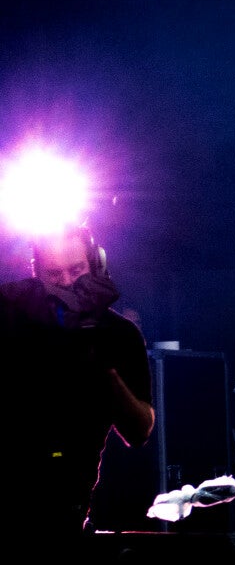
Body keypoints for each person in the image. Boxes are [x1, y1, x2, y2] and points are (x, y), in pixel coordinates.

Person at [0, 226, 153, 533]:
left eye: (77, 270)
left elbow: (139, 432)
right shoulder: (11, 320)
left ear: (96, 265)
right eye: (54, 274)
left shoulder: (119, 334)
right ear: (37, 275)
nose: (68, 282)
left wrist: (105, 368)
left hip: (68, 509)